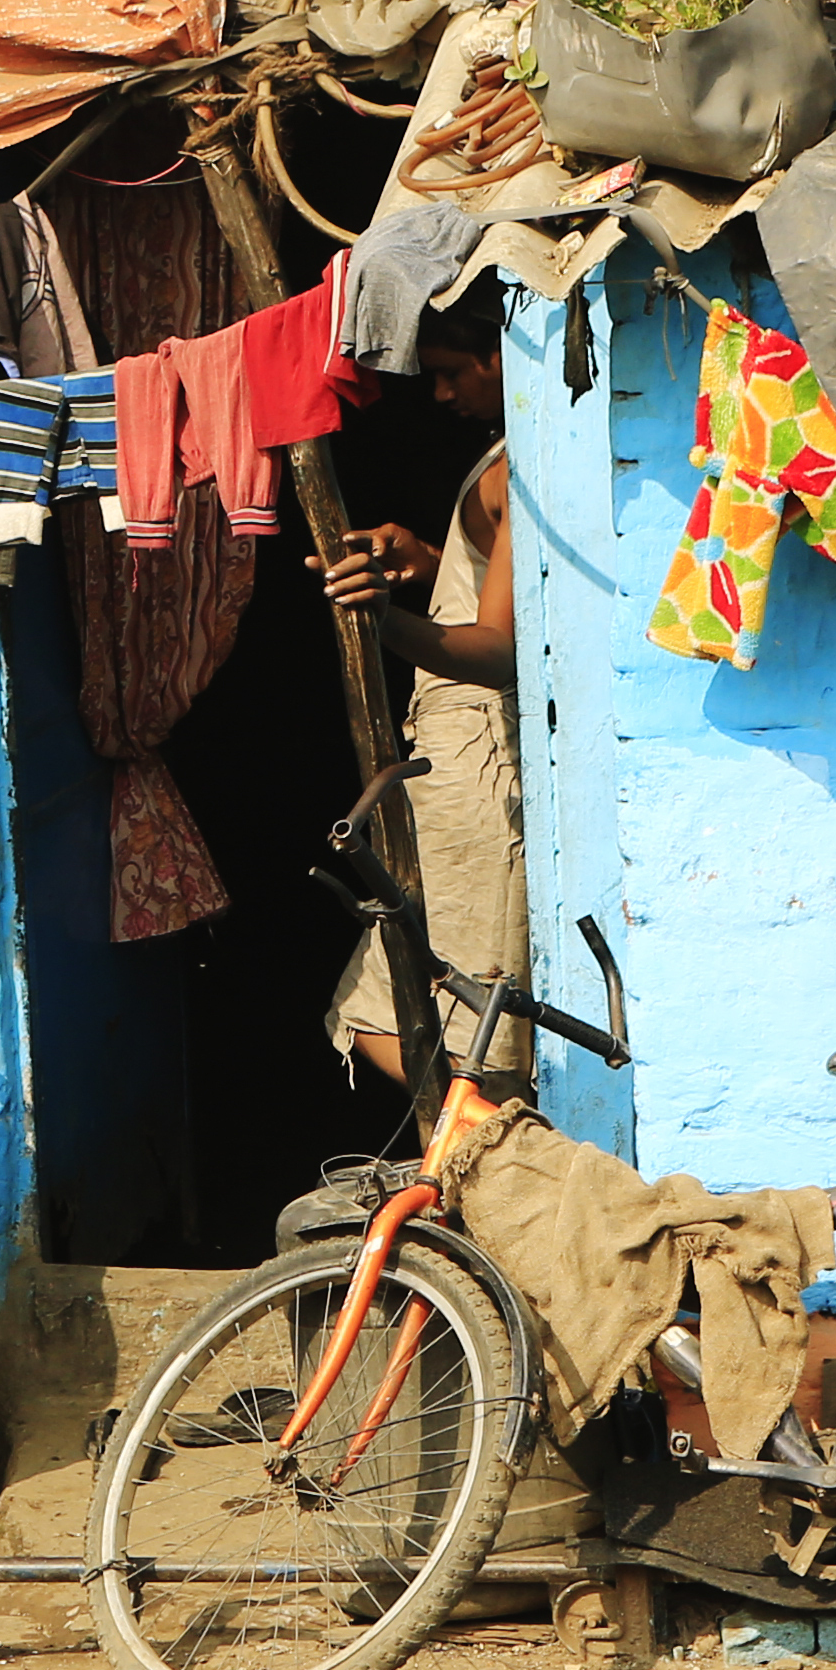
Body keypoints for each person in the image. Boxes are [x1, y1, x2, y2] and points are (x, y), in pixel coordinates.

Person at [310, 296, 528, 1090]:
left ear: (498, 358)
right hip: (462, 757)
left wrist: (382, 619)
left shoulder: (516, 471)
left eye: (447, 373)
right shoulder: (510, 456)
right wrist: (431, 561)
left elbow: (500, 650)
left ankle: (502, 1159)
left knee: (405, 1019)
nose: (441, 396)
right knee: (443, 1004)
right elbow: (493, 597)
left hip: (474, 760)